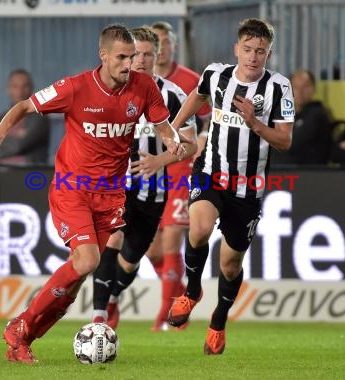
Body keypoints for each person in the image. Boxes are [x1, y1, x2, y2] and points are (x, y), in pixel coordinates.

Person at [0, 24, 191, 364]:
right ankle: (19, 327)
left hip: (111, 195)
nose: (129, 64)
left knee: (78, 276)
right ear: (103, 56)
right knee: (88, 260)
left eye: (132, 57)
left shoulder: (145, 86)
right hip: (72, 189)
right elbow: (24, 106)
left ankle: (24, 337)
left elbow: (164, 125)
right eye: (122, 57)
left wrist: (171, 141)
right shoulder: (75, 88)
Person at [166, 18, 294, 354]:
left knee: (230, 263)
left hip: (248, 188)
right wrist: (172, 129)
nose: (253, 57)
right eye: (248, 49)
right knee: (198, 229)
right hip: (211, 172)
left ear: (269, 53)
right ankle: (192, 291)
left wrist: (255, 123)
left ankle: (218, 321)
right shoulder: (216, 74)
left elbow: (284, 141)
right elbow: (197, 97)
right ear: (237, 49)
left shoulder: (279, 87)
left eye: (261, 52)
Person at [91, 26, 197, 329]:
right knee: (113, 240)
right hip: (115, 185)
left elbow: (190, 144)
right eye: (135, 54)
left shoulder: (174, 95)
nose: (140, 60)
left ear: (157, 56)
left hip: (154, 191)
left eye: (148, 54)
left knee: (133, 257)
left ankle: (112, 298)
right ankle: (99, 318)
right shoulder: (107, 89)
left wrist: (159, 160)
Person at [144, 20, 213, 332]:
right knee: (152, 247)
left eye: (164, 43)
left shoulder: (189, 80)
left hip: (181, 167)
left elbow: (212, 117)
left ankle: (166, 317)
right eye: (152, 44)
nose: (159, 49)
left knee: (172, 237)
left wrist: (204, 140)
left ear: (171, 46)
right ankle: (181, 298)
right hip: (147, 169)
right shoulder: (136, 82)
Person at [270, 69, 330, 167]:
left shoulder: (318, 115)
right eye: (295, 87)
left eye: (305, 87)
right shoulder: (284, 114)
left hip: (306, 173)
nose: (300, 92)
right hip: (279, 171)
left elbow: (291, 143)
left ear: (313, 89)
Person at [0, 69, 50, 165]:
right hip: (3, 174)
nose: (20, 91)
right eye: (15, 86)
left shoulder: (40, 117)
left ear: (32, 88)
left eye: (25, 86)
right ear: (8, 89)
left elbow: (19, 145)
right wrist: (18, 136)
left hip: (30, 175)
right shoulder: (1, 118)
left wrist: (3, 140)